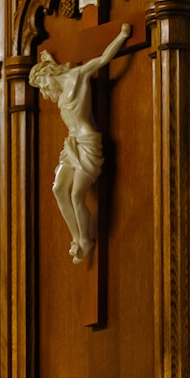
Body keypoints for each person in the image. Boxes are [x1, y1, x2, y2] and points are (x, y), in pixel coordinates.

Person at [28, 23, 131, 263]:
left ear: (48, 74)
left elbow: (104, 59)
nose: (44, 91)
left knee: (76, 195)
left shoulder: (78, 76)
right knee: (58, 189)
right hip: (71, 143)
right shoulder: (57, 82)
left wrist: (122, 35)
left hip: (87, 142)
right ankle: (76, 238)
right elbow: (53, 74)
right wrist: (49, 59)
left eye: (43, 84)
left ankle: (85, 239)